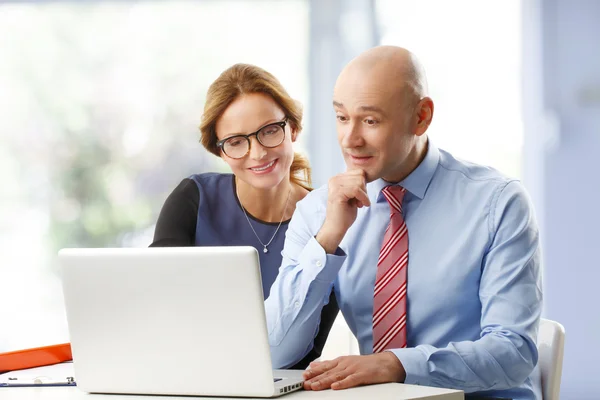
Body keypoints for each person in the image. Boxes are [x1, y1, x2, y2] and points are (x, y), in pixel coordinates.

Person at [265, 46, 543, 400]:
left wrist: (395, 365)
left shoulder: (498, 203)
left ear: (421, 117)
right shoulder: (320, 211)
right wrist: (327, 238)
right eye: (341, 117)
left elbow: (514, 353)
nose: (350, 139)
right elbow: (276, 353)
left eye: (370, 120)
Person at [151, 63, 339, 369]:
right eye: (237, 141)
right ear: (220, 151)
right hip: (189, 374)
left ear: (292, 128)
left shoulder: (327, 222)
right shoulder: (192, 200)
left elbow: (307, 348)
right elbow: (156, 306)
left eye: (269, 131)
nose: (258, 153)